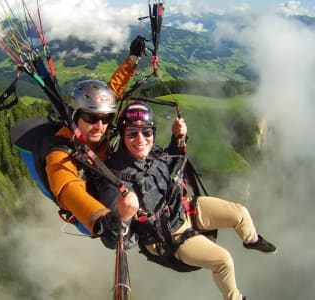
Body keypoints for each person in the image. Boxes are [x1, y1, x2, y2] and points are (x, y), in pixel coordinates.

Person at [94, 102, 277, 300]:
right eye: (132, 133)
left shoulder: (152, 151)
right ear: (122, 135)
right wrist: (122, 215)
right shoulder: (114, 178)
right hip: (166, 236)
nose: (140, 139)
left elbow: (172, 162)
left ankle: (252, 241)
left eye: (146, 132)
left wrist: (178, 138)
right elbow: (113, 241)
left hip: (182, 207)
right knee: (224, 261)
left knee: (240, 213)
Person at [44, 36, 146, 234]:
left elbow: (113, 90)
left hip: (105, 170)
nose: (100, 125)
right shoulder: (59, 150)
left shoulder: (95, 124)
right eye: (91, 118)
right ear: (75, 116)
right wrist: (101, 219)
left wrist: (132, 59)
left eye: (106, 118)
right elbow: (67, 187)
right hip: (93, 190)